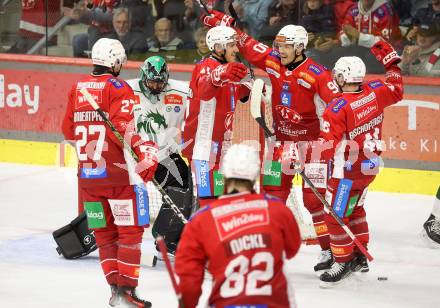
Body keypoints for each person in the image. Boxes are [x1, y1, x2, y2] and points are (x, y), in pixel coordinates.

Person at [202, 11, 340, 273]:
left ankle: (329, 249)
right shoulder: (273, 62)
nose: (280, 51)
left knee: (314, 201)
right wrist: (225, 23)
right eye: (278, 46)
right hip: (281, 145)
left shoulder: (318, 75)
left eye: (286, 47)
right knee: (272, 196)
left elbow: (338, 107)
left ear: (300, 47)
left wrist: (326, 139)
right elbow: (245, 43)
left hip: (312, 148)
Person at [61, 38, 158, 307]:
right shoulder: (119, 87)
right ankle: (127, 291)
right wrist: (145, 155)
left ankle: (115, 292)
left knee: (104, 233)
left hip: (89, 180)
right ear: (115, 61)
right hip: (119, 177)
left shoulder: (76, 88)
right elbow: (124, 129)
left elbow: (68, 131)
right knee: (130, 231)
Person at [316, 39, 403, 287]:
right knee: (355, 210)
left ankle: (343, 261)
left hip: (346, 173)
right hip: (370, 168)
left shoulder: (338, 107)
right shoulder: (375, 90)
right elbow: (397, 89)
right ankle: (359, 256)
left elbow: (326, 147)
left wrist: (297, 156)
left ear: (343, 77)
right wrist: (393, 64)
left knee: (334, 215)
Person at [175, 144, 302, 308]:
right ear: (256, 174)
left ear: (225, 173)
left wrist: (185, 304)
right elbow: (292, 249)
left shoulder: (202, 219)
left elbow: (189, 280)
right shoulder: (277, 209)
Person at [126, 55, 194, 255]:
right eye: (152, 81)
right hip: (133, 155)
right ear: (143, 76)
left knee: (183, 189)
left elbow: (200, 101)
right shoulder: (126, 90)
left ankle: (166, 238)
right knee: (116, 193)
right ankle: (104, 231)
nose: (156, 85)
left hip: (165, 155)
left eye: (160, 81)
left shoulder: (181, 90)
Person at [181, 25, 250, 206]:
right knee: (209, 203)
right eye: (232, 45)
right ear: (219, 47)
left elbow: (244, 97)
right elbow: (204, 90)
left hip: (226, 147)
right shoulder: (205, 67)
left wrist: (253, 86)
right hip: (204, 148)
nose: (236, 49)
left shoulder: (231, 68)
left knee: (227, 202)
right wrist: (218, 76)